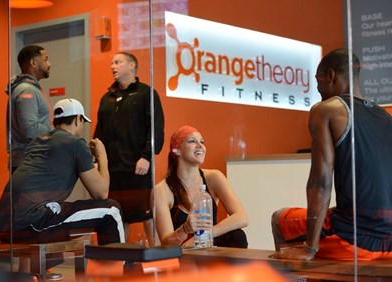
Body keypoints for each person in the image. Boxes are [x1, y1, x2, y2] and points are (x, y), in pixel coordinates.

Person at [271, 48, 392, 261]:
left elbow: (321, 183)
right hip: (389, 243)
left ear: (331, 75)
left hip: (355, 242)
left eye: (319, 85)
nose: (319, 93)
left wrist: (310, 248)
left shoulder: (327, 110)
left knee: (280, 219)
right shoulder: (386, 117)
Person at [0, 98, 125, 271]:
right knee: (111, 210)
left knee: (55, 209)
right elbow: (101, 193)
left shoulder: (37, 142)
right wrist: (103, 157)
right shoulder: (76, 143)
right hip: (29, 224)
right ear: (78, 119)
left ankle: (43, 273)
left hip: (1, 225)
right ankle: (120, 276)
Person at [94, 52, 165, 245]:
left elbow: (155, 128)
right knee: (119, 216)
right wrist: (96, 159)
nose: (112, 66)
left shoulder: (145, 93)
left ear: (132, 65)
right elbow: (99, 132)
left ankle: (158, 259)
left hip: (137, 168)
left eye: (117, 62)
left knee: (146, 215)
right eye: (111, 63)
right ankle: (121, 261)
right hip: (112, 171)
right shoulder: (106, 98)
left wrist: (147, 157)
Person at [153, 125, 248, 248]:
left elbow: (242, 217)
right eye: (192, 141)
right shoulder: (162, 190)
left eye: (202, 142)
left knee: (237, 235)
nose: (200, 145)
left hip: (209, 249)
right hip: (184, 255)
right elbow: (166, 243)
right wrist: (185, 229)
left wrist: (205, 235)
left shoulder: (214, 177)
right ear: (176, 150)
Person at [6, 45, 53, 173]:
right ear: (33, 63)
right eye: (45, 59)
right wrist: (56, 132)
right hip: (29, 162)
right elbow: (30, 128)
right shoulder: (26, 90)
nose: (49, 64)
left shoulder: (30, 89)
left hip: (31, 161)